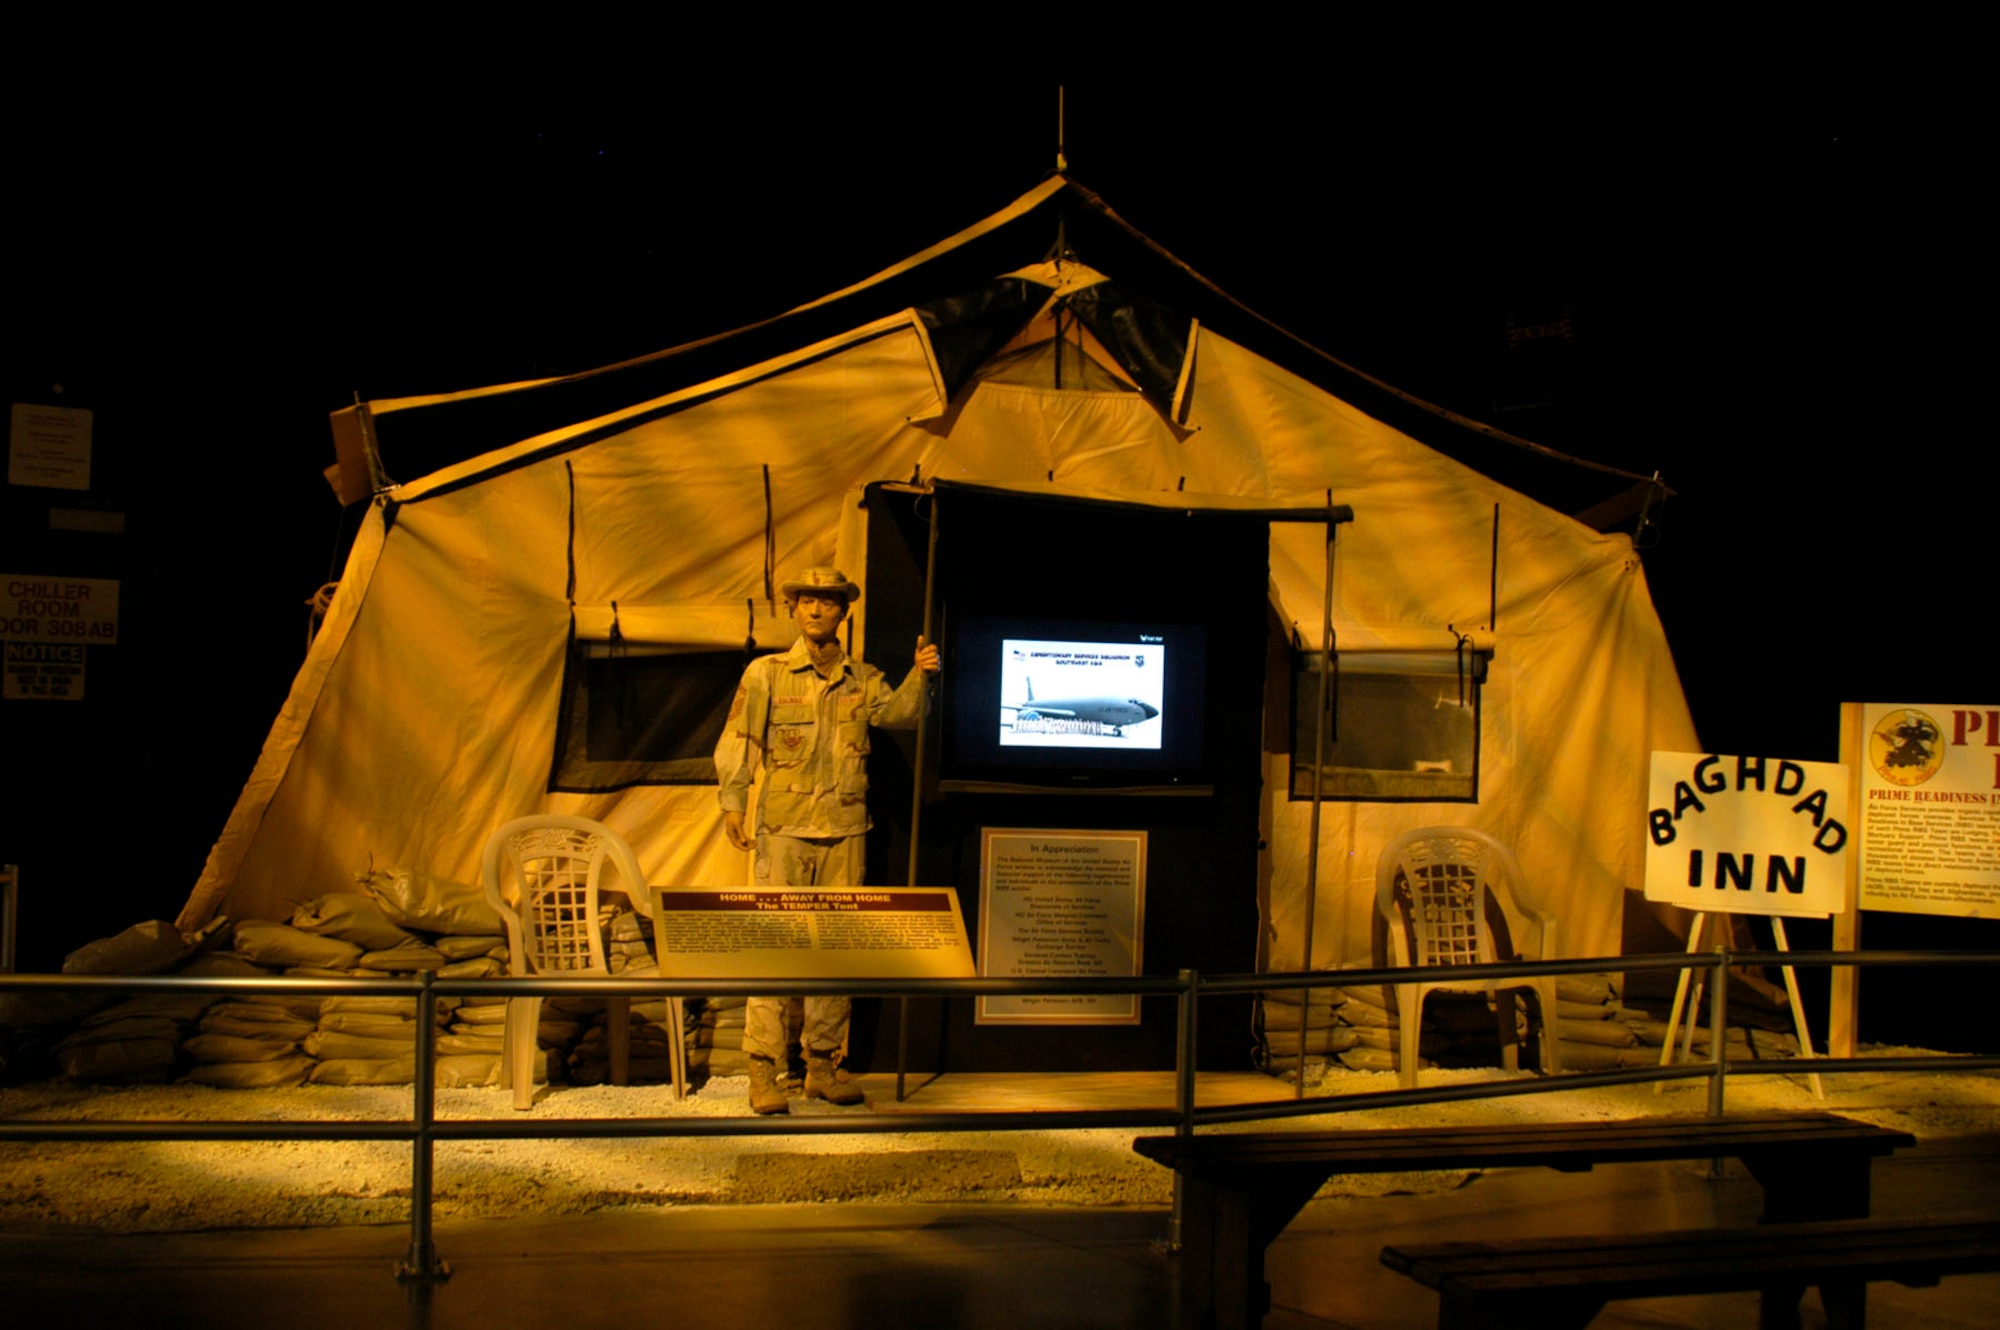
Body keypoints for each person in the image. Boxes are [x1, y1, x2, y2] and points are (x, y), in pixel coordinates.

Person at [714, 566, 941, 1113]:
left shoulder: (863, 679)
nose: (816, 610)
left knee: (835, 948)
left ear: (844, 612)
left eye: (828, 602)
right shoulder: (766, 673)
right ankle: (764, 1070)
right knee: (773, 951)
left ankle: (821, 1063)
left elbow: (902, 716)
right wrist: (733, 801)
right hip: (784, 831)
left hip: (845, 832)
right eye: (807, 601)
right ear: (795, 610)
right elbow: (740, 738)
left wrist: (920, 674)